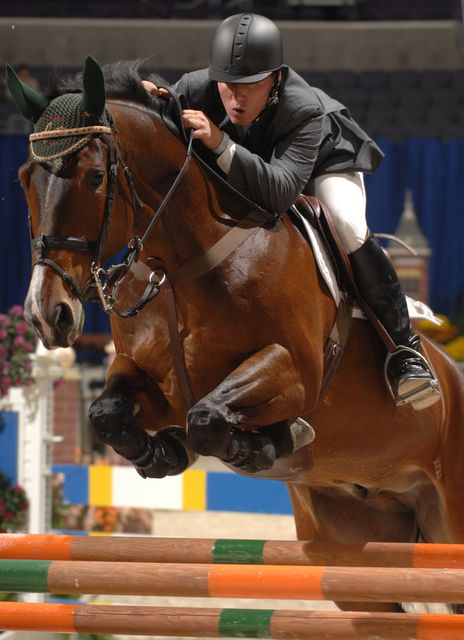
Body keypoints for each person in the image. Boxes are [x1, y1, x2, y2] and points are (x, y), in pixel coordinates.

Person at [143, 13, 439, 410]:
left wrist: (219, 143)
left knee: (347, 225)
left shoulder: (304, 109)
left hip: (324, 163)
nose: (236, 98)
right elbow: (161, 109)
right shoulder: (202, 86)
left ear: (277, 77)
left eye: (250, 87)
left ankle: (405, 352)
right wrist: (147, 98)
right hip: (259, 164)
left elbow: (281, 193)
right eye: (228, 86)